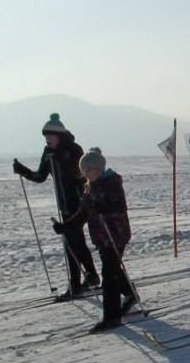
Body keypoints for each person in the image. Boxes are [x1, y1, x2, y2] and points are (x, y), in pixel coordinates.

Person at [13, 113, 100, 300]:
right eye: (45, 138)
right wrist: (23, 170)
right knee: (76, 241)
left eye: (50, 137)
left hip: (77, 203)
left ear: (58, 136)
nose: (47, 140)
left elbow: (79, 174)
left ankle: (76, 284)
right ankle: (91, 277)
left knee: (71, 242)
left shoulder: (74, 150)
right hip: (63, 204)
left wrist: (59, 158)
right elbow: (40, 176)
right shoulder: (48, 153)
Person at [52, 149, 134, 332]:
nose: (85, 173)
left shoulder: (111, 183)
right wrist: (65, 227)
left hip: (116, 235)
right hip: (101, 236)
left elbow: (119, 207)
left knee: (109, 275)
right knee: (111, 269)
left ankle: (112, 317)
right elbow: (83, 214)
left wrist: (103, 207)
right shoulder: (90, 186)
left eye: (88, 170)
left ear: (97, 169)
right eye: (83, 170)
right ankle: (129, 293)